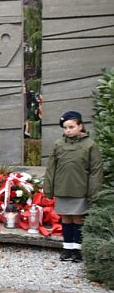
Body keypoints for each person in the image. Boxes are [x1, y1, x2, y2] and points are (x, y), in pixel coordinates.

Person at [43, 111, 103, 262]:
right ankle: (67, 248)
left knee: (78, 218)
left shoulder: (90, 145)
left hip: (80, 188)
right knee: (66, 217)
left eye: (71, 127)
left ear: (80, 126)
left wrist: (93, 191)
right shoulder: (59, 144)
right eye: (65, 128)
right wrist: (48, 189)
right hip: (63, 187)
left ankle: (78, 249)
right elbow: (51, 168)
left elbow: (96, 170)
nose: (68, 130)